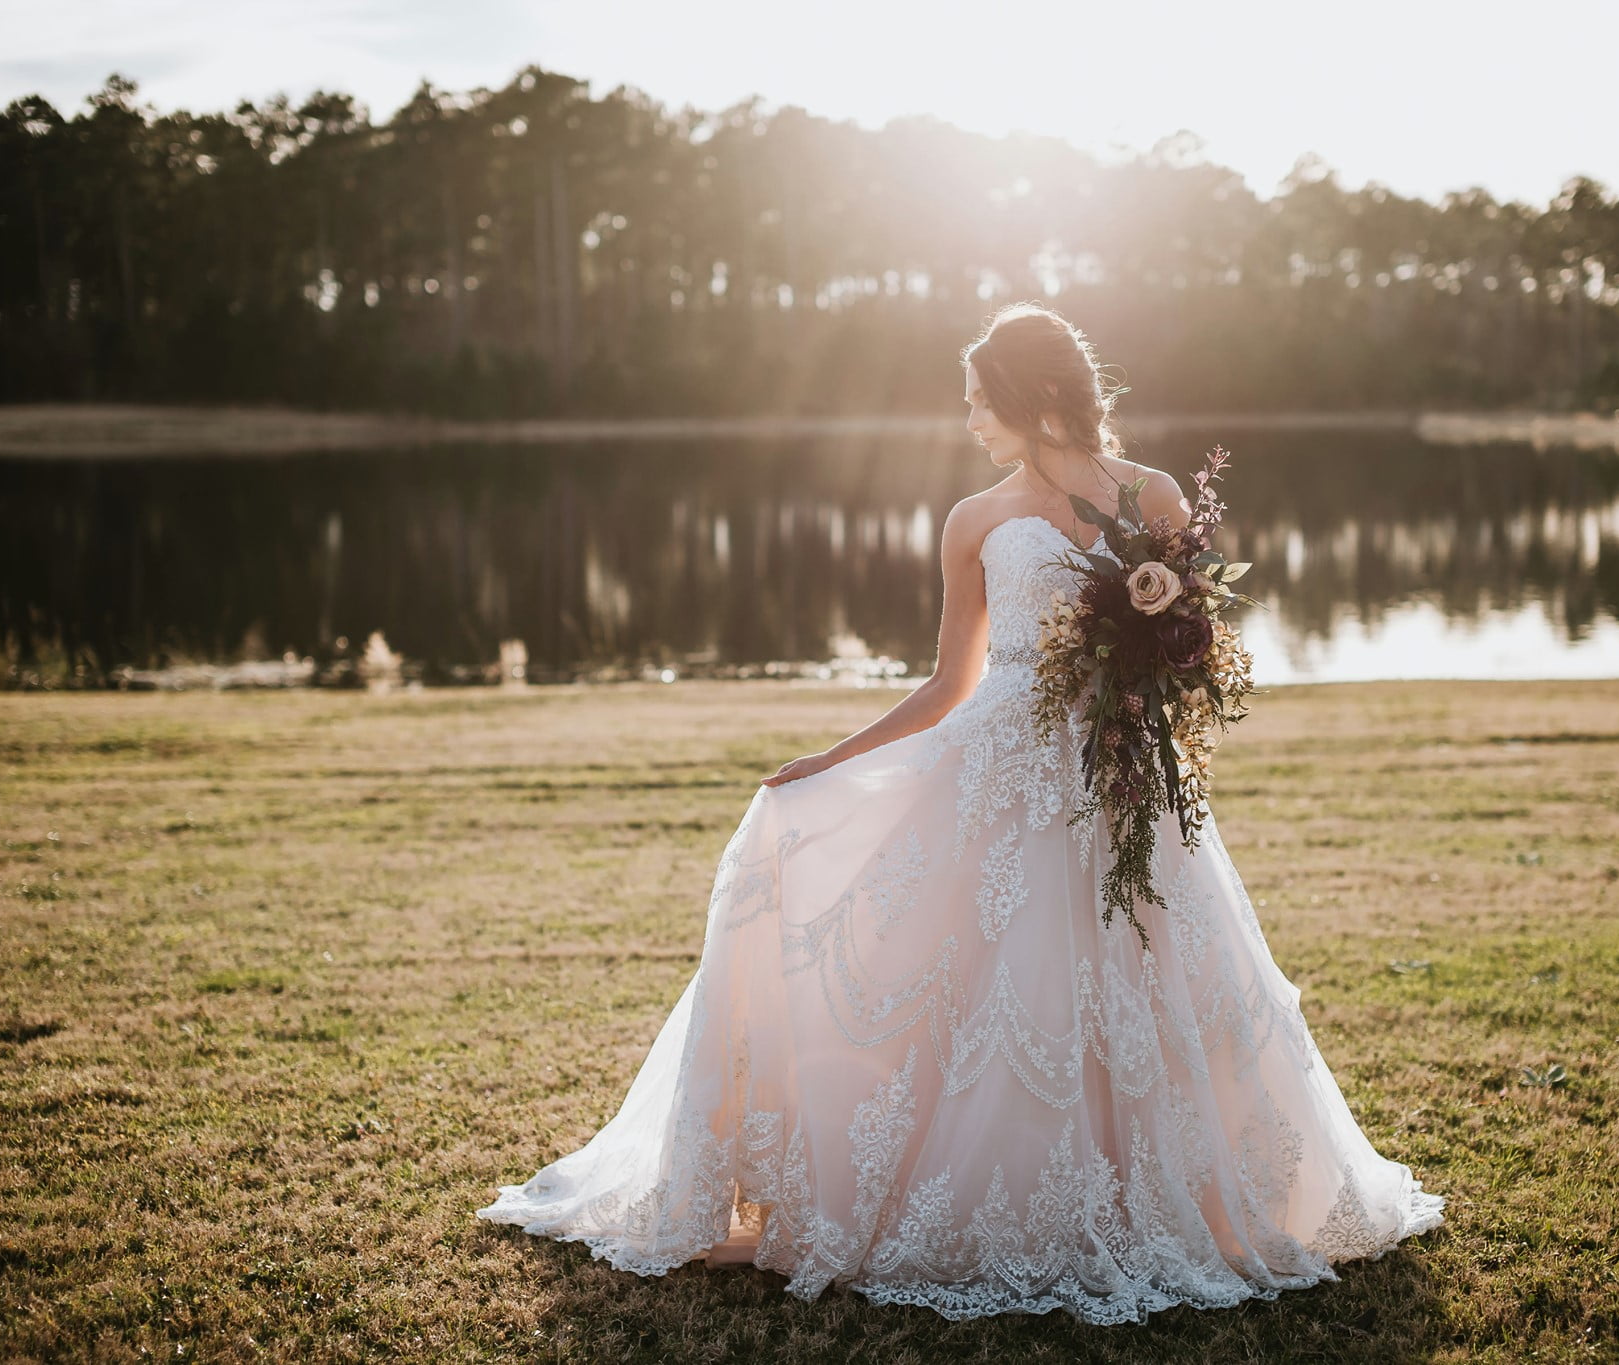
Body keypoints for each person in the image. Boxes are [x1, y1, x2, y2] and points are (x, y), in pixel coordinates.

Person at [475, 303, 1444, 1324]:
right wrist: (834, 758)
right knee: (977, 976)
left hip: (1122, 776)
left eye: (979, 402)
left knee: (1147, 974)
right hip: (999, 774)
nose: (970, 422)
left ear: (1031, 399)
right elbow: (948, 685)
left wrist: (1157, 656)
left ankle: (1174, 1196)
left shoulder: (1155, 495)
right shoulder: (972, 519)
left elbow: (1190, 639)